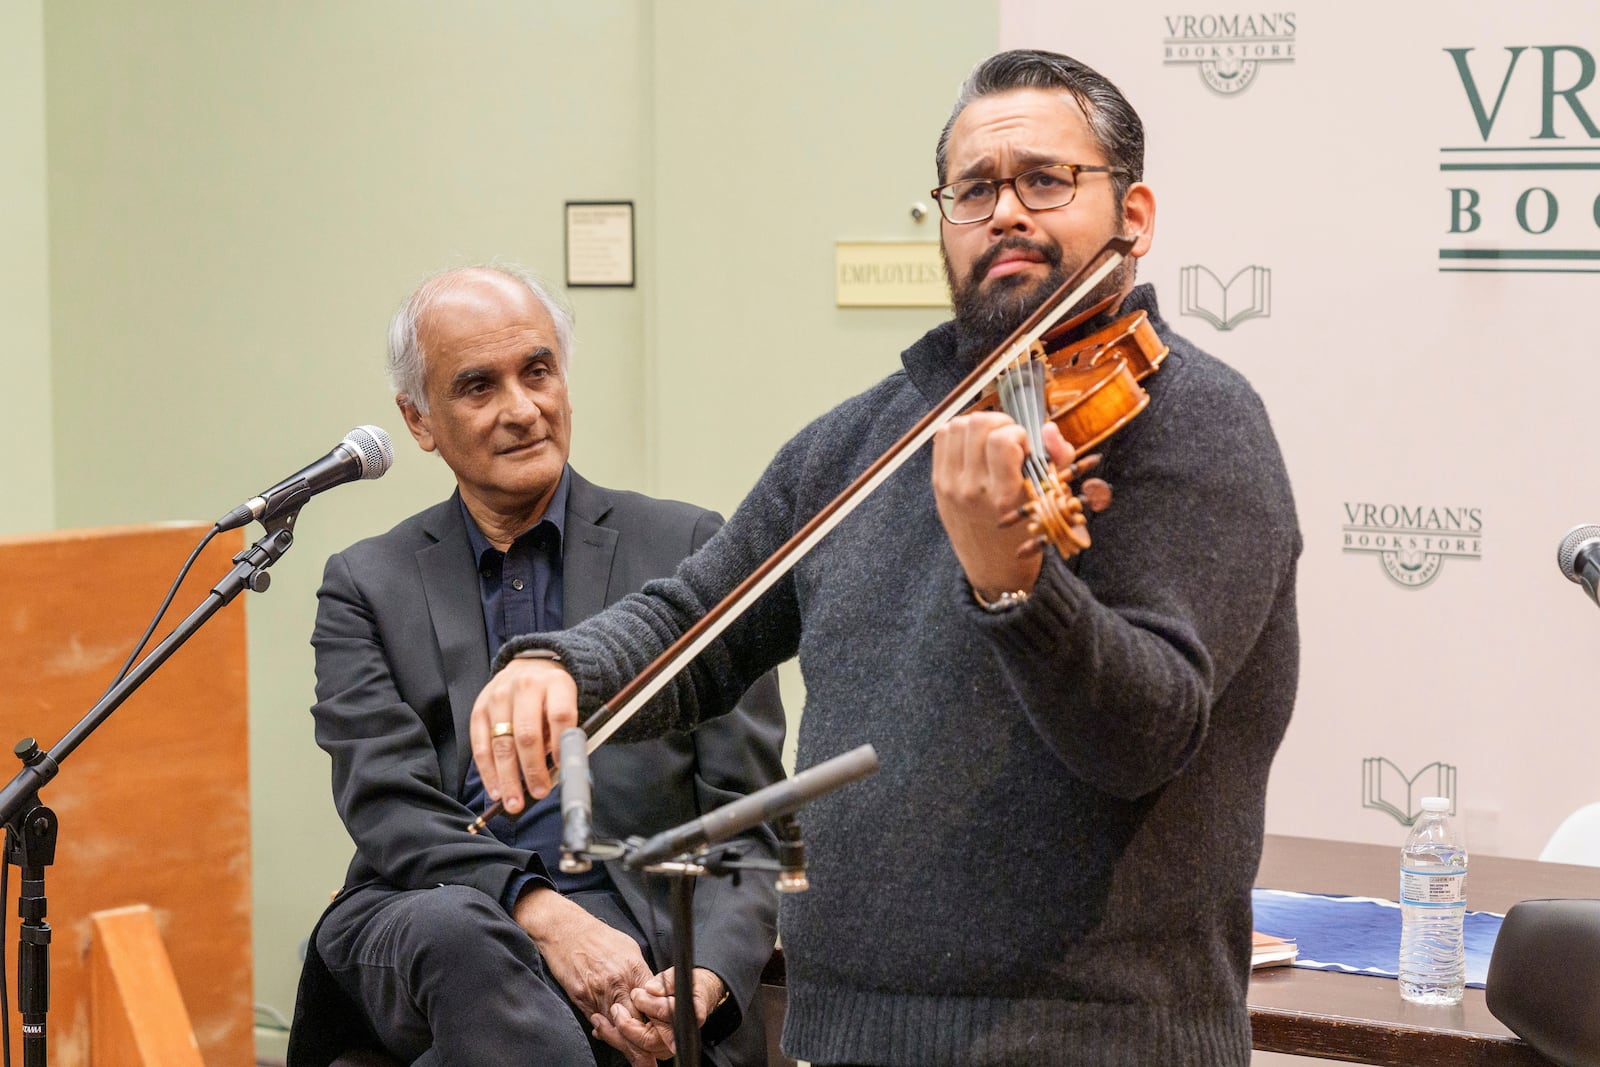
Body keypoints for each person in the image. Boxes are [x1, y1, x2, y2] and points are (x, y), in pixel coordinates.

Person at [471, 49, 1301, 1067]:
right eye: (975, 189)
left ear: (1133, 214)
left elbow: (1143, 736)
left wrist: (1017, 583)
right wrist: (564, 664)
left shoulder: (1194, 423)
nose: (1006, 212)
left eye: (1045, 180)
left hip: (1089, 1039)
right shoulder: (861, 438)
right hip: (847, 1030)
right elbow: (700, 615)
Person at [285, 265, 786, 1067]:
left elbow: (746, 815)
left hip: (639, 924)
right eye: (478, 386)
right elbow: (389, 808)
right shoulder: (366, 584)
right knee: (463, 935)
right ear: (418, 420)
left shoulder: (686, 551)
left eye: (538, 371)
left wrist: (706, 979)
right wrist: (543, 910)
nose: (522, 409)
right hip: (433, 911)